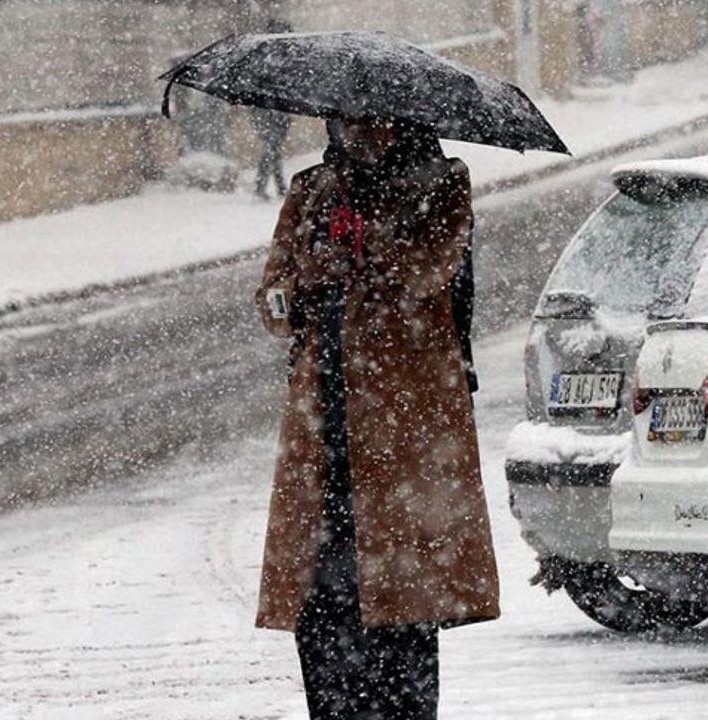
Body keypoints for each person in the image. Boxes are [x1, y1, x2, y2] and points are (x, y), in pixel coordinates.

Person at [253, 114, 499, 720]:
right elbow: (272, 302)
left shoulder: (440, 183)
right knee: (320, 601)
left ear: (403, 124)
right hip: (324, 428)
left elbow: (431, 272)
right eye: (345, 120)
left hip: (403, 427)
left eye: (372, 121)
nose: (358, 132)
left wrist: (368, 250)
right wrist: (305, 281)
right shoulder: (312, 190)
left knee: (400, 603)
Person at [251, 106, 291, 199]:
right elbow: (255, 117)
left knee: (272, 160)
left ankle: (275, 188)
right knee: (270, 160)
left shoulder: (279, 106)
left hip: (274, 134)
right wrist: (261, 129)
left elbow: (286, 121)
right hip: (271, 134)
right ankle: (275, 188)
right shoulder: (265, 105)